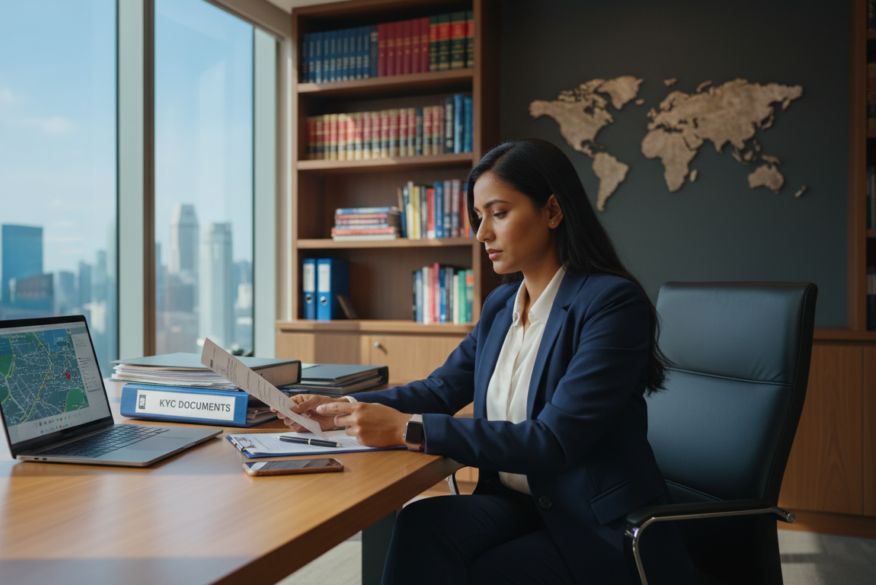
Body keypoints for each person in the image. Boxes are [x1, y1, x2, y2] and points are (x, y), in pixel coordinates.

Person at [277, 139, 698, 585]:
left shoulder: (612, 304)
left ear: (553, 211)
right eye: (479, 217)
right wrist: (338, 409)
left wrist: (406, 428)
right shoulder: (501, 305)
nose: (482, 234)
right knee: (422, 524)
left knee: (486, 573)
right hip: (520, 504)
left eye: (498, 213)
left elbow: (553, 442)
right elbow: (441, 390)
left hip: (597, 524)